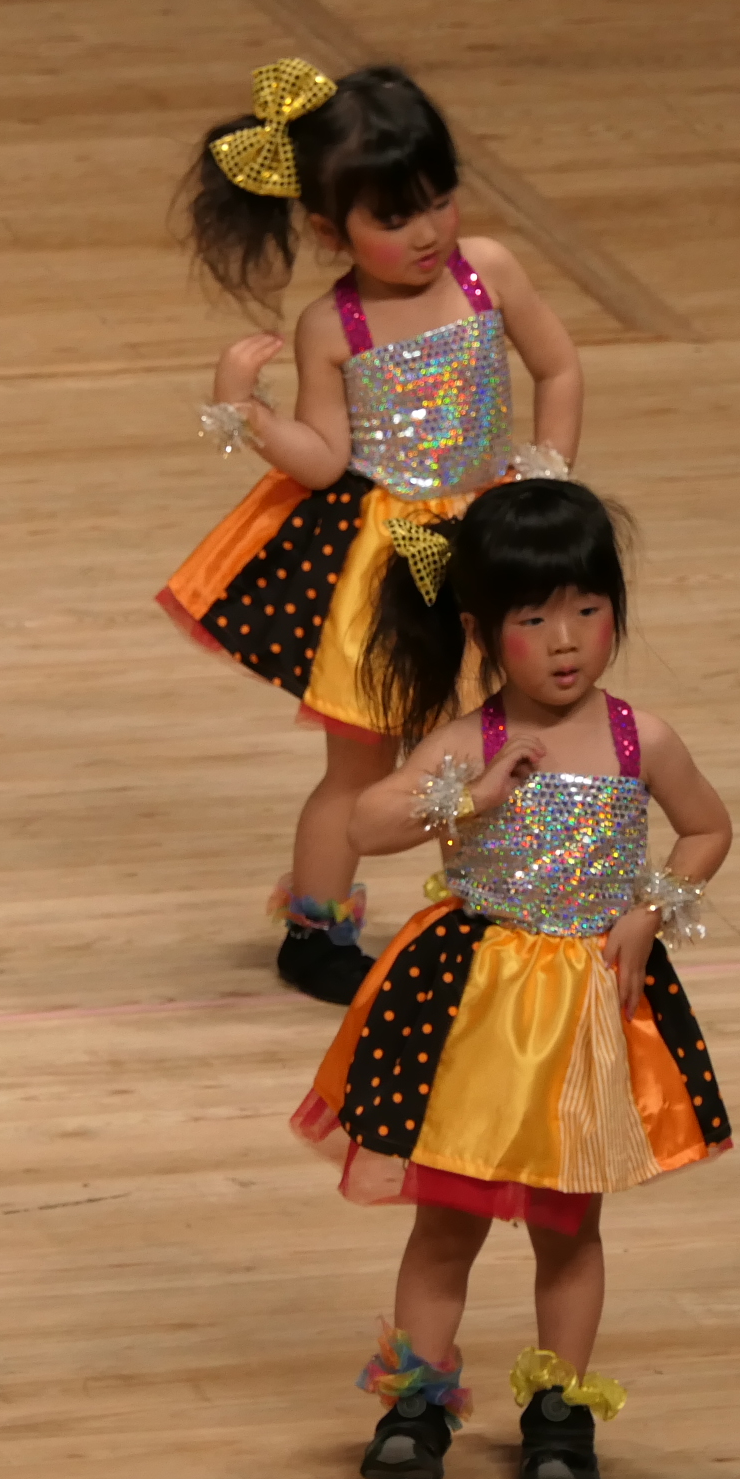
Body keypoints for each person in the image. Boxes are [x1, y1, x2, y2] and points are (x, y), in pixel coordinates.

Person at [289, 480, 733, 1479]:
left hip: (586, 1014)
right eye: (533, 619)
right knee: (446, 1224)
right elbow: (364, 824)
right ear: (482, 631)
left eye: (587, 609)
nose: (566, 640)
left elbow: (708, 829)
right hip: (476, 1022)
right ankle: (415, 1404)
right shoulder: (466, 745)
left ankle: (559, 1408)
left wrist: (649, 912)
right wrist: (472, 798)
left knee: (568, 1227)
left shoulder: (644, 740)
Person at [160, 59, 584, 1005]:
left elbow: (558, 369)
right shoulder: (333, 325)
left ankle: (504, 905)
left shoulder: (490, 271)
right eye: (395, 217)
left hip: (492, 545)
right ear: (328, 230)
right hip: (392, 567)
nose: (428, 231)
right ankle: (315, 931)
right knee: (361, 764)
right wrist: (249, 412)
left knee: (512, 736)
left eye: (439, 200)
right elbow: (323, 460)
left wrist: (548, 478)